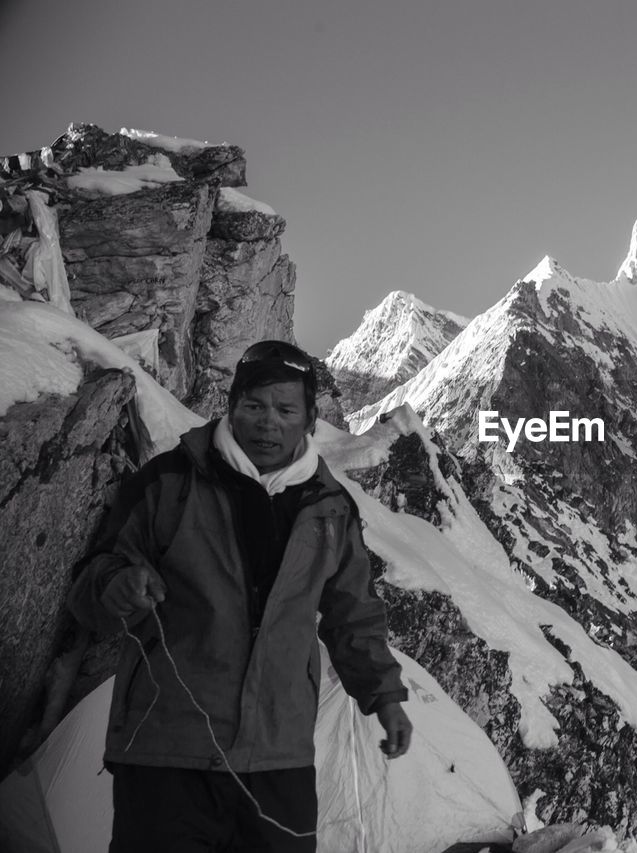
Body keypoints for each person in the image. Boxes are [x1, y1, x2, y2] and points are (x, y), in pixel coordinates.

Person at [68, 339, 412, 852]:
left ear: (310, 419)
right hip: (168, 751)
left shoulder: (330, 509)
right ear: (231, 407)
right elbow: (90, 581)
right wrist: (118, 586)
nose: (267, 421)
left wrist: (384, 697)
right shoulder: (167, 484)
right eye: (253, 406)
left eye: (284, 409)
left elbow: (352, 615)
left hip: (277, 758)